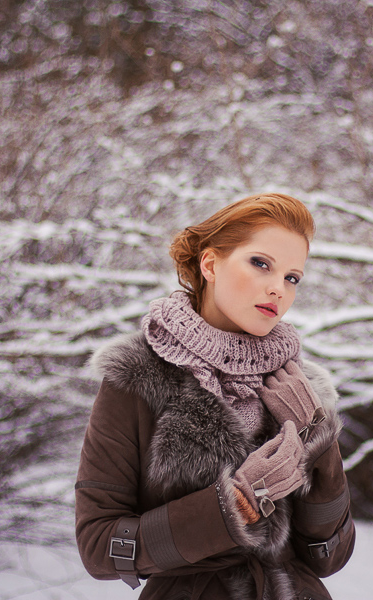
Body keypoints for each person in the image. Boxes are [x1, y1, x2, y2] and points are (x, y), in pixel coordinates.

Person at [75, 193, 354, 600]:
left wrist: (316, 437)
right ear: (210, 264)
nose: (278, 289)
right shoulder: (136, 377)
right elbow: (99, 547)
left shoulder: (300, 385)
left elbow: (330, 557)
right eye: (261, 263)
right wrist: (233, 506)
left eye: (292, 278)